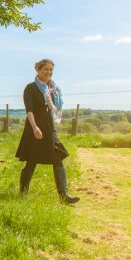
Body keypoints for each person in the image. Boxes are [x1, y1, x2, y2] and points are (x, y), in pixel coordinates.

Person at [15, 59, 80, 204]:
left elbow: (55, 108)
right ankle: (23, 192)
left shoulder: (53, 88)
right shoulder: (30, 88)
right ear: (37, 70)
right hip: (35, 128)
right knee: (32, 161)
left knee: (57, 157)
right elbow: (29, 110)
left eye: (51, 69)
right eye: (45, 69)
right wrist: (34, 127)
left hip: (49, 128)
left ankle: (64, 195)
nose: (49, 72)